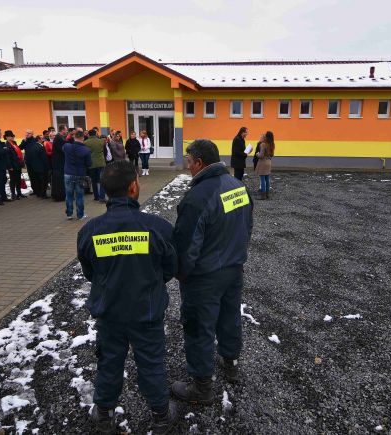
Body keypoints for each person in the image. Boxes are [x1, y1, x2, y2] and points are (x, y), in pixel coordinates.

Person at [77, 160, 178, 434]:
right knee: (152, 363)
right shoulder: (157, 227)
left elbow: (91, 272)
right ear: (134, 186)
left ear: (105, 189)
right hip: (147, 313)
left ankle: (105, 414)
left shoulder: (89, 230)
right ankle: (160, 415)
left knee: (109, 363)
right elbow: (170, 268)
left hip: (109, 313)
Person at [171, 139, 254, 403]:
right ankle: (230, 363)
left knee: (199, 327)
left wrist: (182, 273)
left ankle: (202, 387)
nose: (187, 165)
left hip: (204, 277)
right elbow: (247, 227)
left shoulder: (198, 197)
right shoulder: (239, 187)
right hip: (233, 269)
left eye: (188, 160)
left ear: (198, 162)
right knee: (229, 317)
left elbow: (186, 245)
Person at [63, 130, 91, 219]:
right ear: (83, 138)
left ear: (74, 137)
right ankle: (80, 215)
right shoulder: (86, 150)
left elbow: (64, 146)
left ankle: (69, 214)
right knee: (79, 195)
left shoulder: (67, 146)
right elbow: (89, 164)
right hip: (80, 174)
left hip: (68, 173)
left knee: (69, 195)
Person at [22, 130, 49, 199]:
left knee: (38, 178)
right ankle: (40, 192)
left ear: (32, 134)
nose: (27, 134)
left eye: (29, 133)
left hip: (35, 163)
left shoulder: (34, 143)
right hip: (34, 163)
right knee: (37, 178)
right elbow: (20, 147)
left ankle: (39, 192)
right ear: (39, 140)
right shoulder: (26, 141)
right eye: (26, 133)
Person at [84, 129, 107, 202]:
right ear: (95, 134)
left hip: (91, 164)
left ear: (89, 134)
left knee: (94, 181)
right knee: (101, 180)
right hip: (101, 163)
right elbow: (103, 150)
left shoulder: (85, 143)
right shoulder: (101, 141)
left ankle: (96, 196)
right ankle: (102, 197)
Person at [4, 131, 26, 200]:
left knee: (18, 179)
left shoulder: (14, 143)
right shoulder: (6, 145)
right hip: (12, 165)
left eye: (13, 136)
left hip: (18, 164)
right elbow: (7, 157)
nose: (13, 137)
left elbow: (18, 151)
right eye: (11, 136)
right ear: (7, 137)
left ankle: (19, 193)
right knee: (13, 180)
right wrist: (9, 166)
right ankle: (13, 194)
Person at [255, 131, 275, 200]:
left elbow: (261, 155)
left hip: (263, 163)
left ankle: (263, 195)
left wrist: (257, 154)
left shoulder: (263, 144)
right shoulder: (272, 144)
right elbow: (272, 155)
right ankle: (267, 194)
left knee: (262, 179)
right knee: (267, 179)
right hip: (269, 162)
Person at [51, 125, 67, 201]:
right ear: (62, 130)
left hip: (59, 161)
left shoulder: (59, 138)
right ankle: (59, 195)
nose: (66, 131)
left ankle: (60, 195)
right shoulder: (59, 138)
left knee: (60, 178)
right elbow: (62, 149)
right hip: (58, 162)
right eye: (65, 130)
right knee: (59, 179)